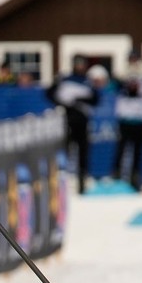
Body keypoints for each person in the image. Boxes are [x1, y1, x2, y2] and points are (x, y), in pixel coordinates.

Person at [46, 54, 99, 194]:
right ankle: (61, 182)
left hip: (83, 121)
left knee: (83, 152)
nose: (80, 66)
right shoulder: (65, 79)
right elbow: (49, 93)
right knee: (64, 152)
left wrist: (79, 100)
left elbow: (95, 99)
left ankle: (82, 181)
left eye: (82, 64)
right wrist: (64, 104)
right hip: (67, 120)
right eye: (78, 63)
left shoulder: (87, 81)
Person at [112, 74, 142, 190]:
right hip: (125, 124)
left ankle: (135, 179)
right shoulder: (122, 91)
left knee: (137, 153)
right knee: (121, 151)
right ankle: (117, 177)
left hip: (141, 125)